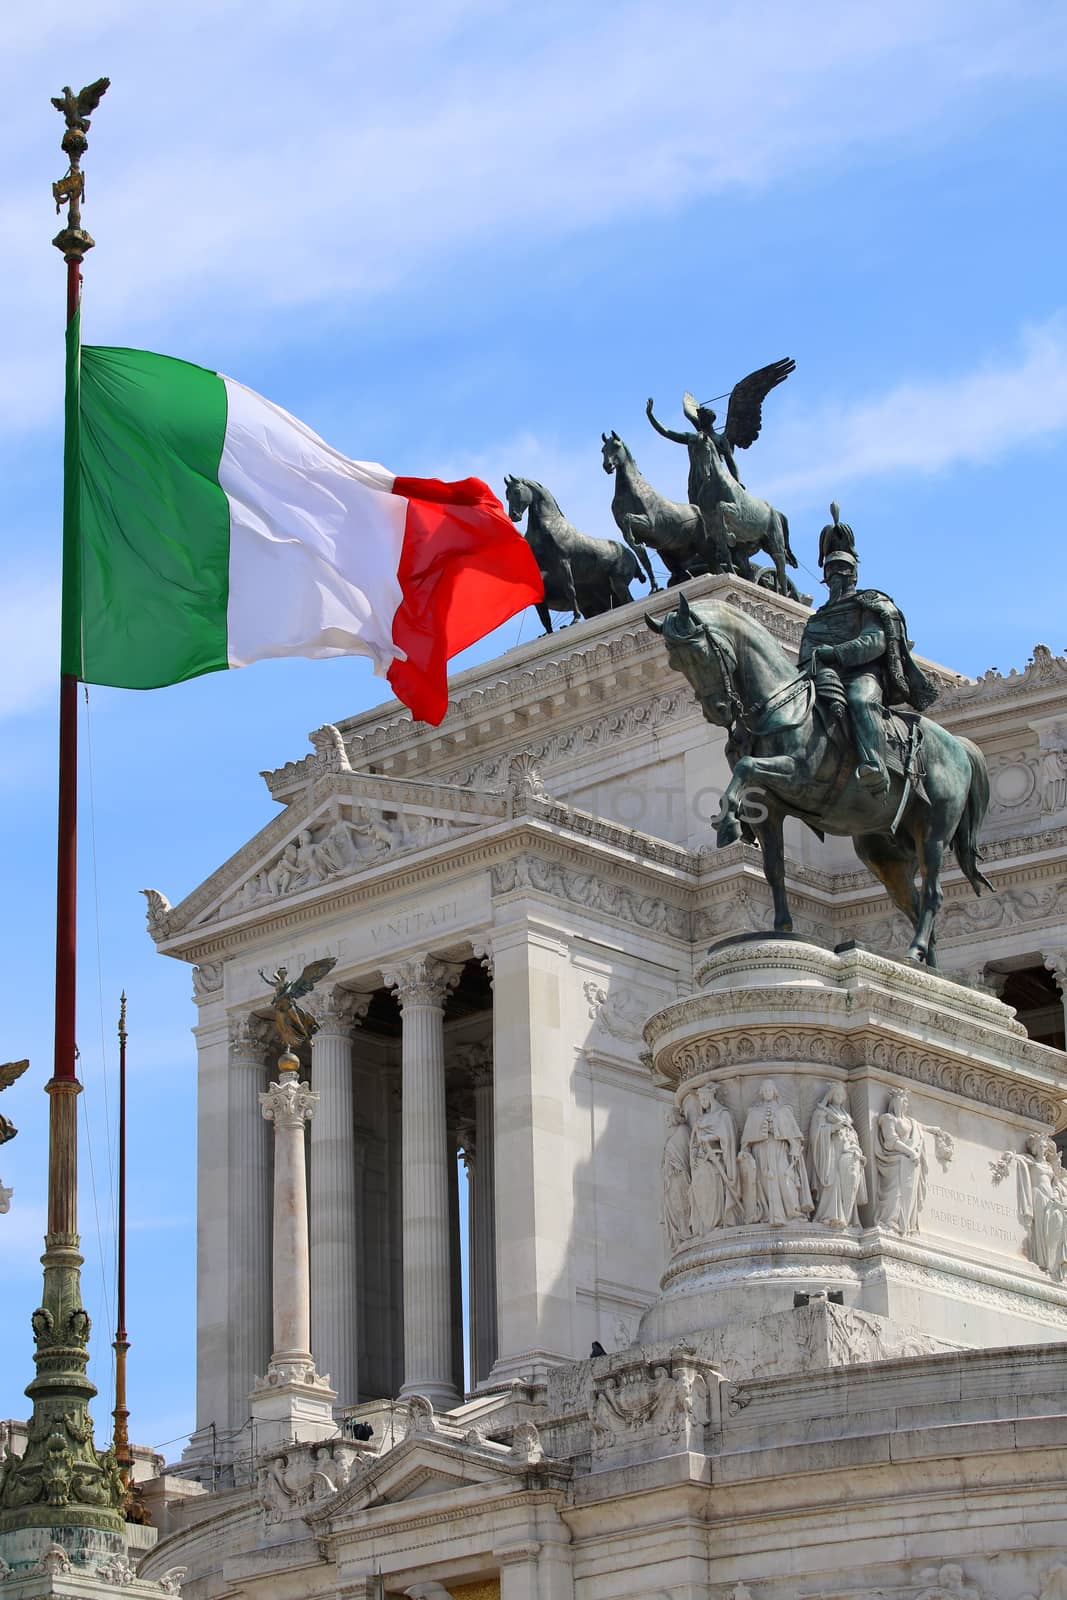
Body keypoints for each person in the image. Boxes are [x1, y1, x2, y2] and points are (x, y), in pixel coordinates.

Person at [798, 547, 937, 796]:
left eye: (841, 570)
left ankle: (875, 764)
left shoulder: (869, 602)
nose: (835, 576)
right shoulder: (817, 619)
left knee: (860, 700)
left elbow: (874, 641)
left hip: (864, 674)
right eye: (830, 571)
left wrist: (836, 652)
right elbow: (806, 655)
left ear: (853, 575)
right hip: (825, 676)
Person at [739, 1080, 813, 1224]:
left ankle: (792, 1212)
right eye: (765, 1091)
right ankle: (767, 1214)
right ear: (762, 1093)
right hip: (761, 1150)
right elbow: (747, 1139)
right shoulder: (754, 1113)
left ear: (774, 1092)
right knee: (765, 1181)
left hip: (780, 1149)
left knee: (784, 1177)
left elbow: (794, 1135)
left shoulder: (784, 1111)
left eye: (770, 1090)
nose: (767, 1093)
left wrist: (794, 1146)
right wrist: (745, 1151)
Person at [808, 1084, 867, 1228]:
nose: (840, 1097)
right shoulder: (822, 1111)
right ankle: (829, 1215)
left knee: (848, 1181)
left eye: (842, 1094)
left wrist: (854, 1143)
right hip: (831, 1151)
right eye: (837, 1094)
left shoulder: (846, 1115)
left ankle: (847, 1217)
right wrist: (834, 1128)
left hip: (846, 1149)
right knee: (832, 1182)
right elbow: (816, 1133)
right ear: (831, 1095)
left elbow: (852, 1133)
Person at [873, 1088, 927, 1234]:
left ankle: (906, 1223)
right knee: (895, 1192)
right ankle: (890, 1221)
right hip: (894, 1159)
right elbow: (890, 1142)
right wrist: (910, 1152)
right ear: (895, 1102)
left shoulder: (911, 1122)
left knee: (908, 1189)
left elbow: (922, 1128)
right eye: (903, 1101)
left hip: (909, 1160)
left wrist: (937, 1131)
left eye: (906, 1102)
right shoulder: (888, 1119)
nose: (905, 1104)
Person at [688, 1084, 741, 1232]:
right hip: (701, 1163)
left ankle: (717, 1221)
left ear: (711, 1098)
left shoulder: (723, 1115)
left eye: (704, 1098)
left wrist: (708, 1137)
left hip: (715, 1162)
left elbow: (727, 1136)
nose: (702, 1102)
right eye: (700, 1099)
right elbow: (694, 1141)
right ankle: (707, 1226)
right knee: (702, 1193)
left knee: (714, 1193)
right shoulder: (701, 1118)